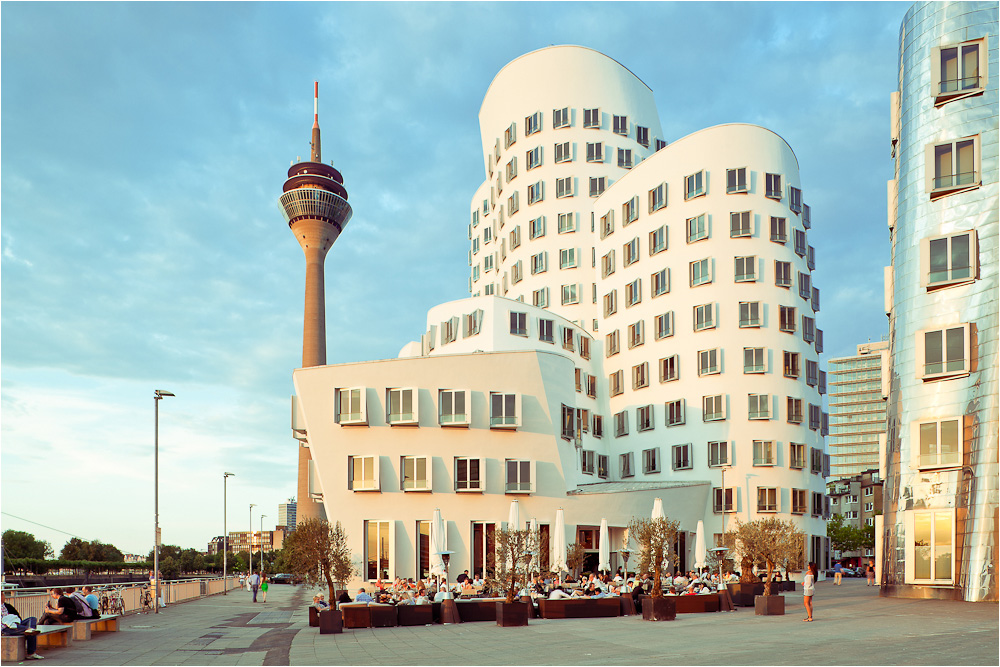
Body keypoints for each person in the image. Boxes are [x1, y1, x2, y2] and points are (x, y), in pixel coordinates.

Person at [2, 591, 42, 660]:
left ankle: (29, 630)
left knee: (32, 619)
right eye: (2, 595)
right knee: (30, 630)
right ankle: (31, 652)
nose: (4, 597)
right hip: (6, 628)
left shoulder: (6, 606)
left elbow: (17, 616)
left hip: (15, 623)